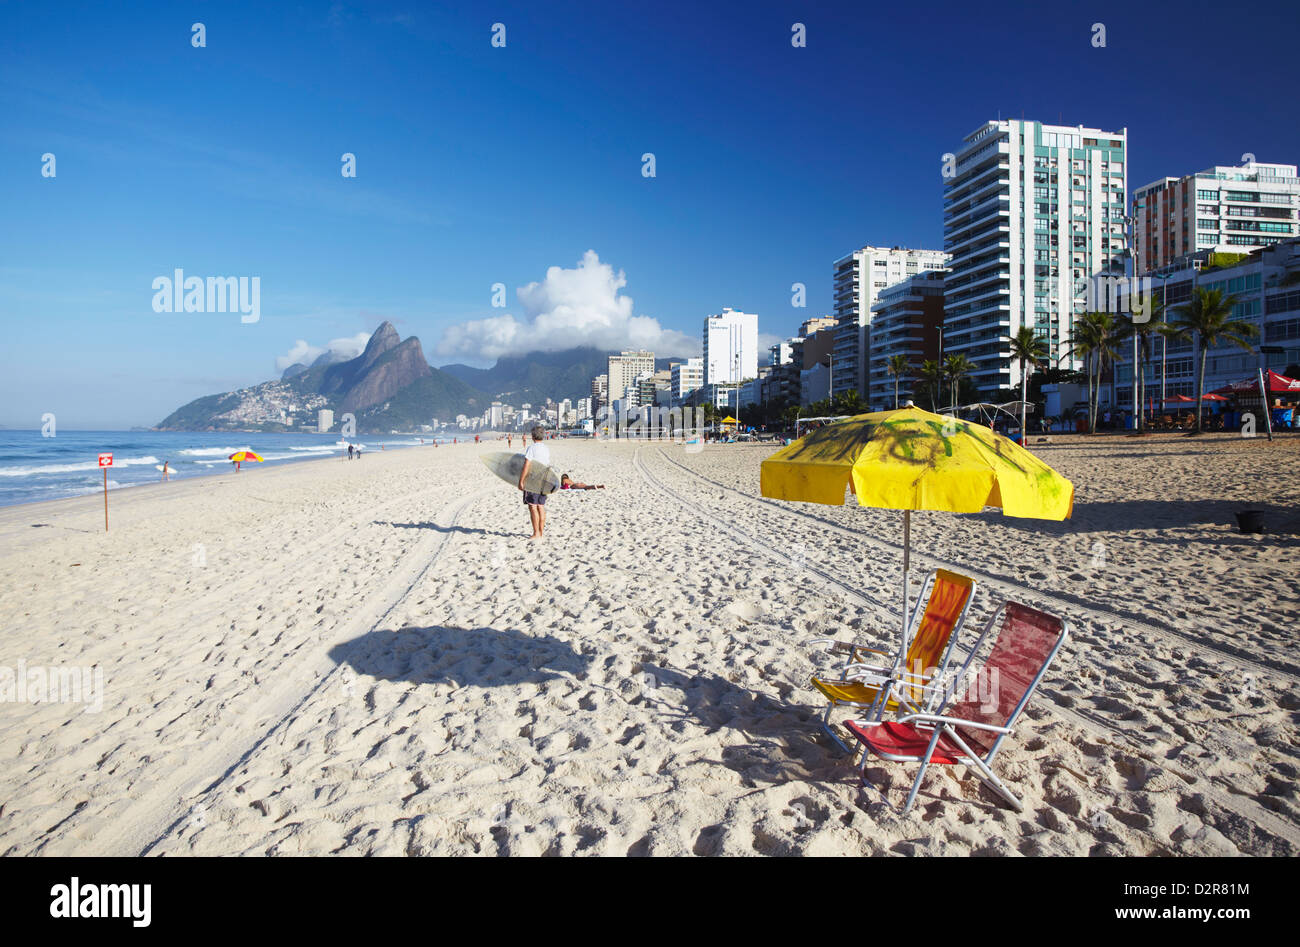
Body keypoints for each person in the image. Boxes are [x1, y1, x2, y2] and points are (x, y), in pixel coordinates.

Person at [519, 425, 550, 539]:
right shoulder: (546, 448)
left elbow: (526, 465)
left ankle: (536, 533)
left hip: (533, 480)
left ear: (532, 436)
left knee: (532, 506)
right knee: (541, 506)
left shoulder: (531, 448)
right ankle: (540, 533)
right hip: (544, 480)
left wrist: (521, 481)